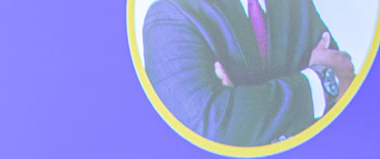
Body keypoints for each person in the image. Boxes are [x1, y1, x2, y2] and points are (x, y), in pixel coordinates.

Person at [143, 0, 358, 146]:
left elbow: (344, 87)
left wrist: (244, 108)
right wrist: (317, 87)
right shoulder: (170, 15)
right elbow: (216, 129)